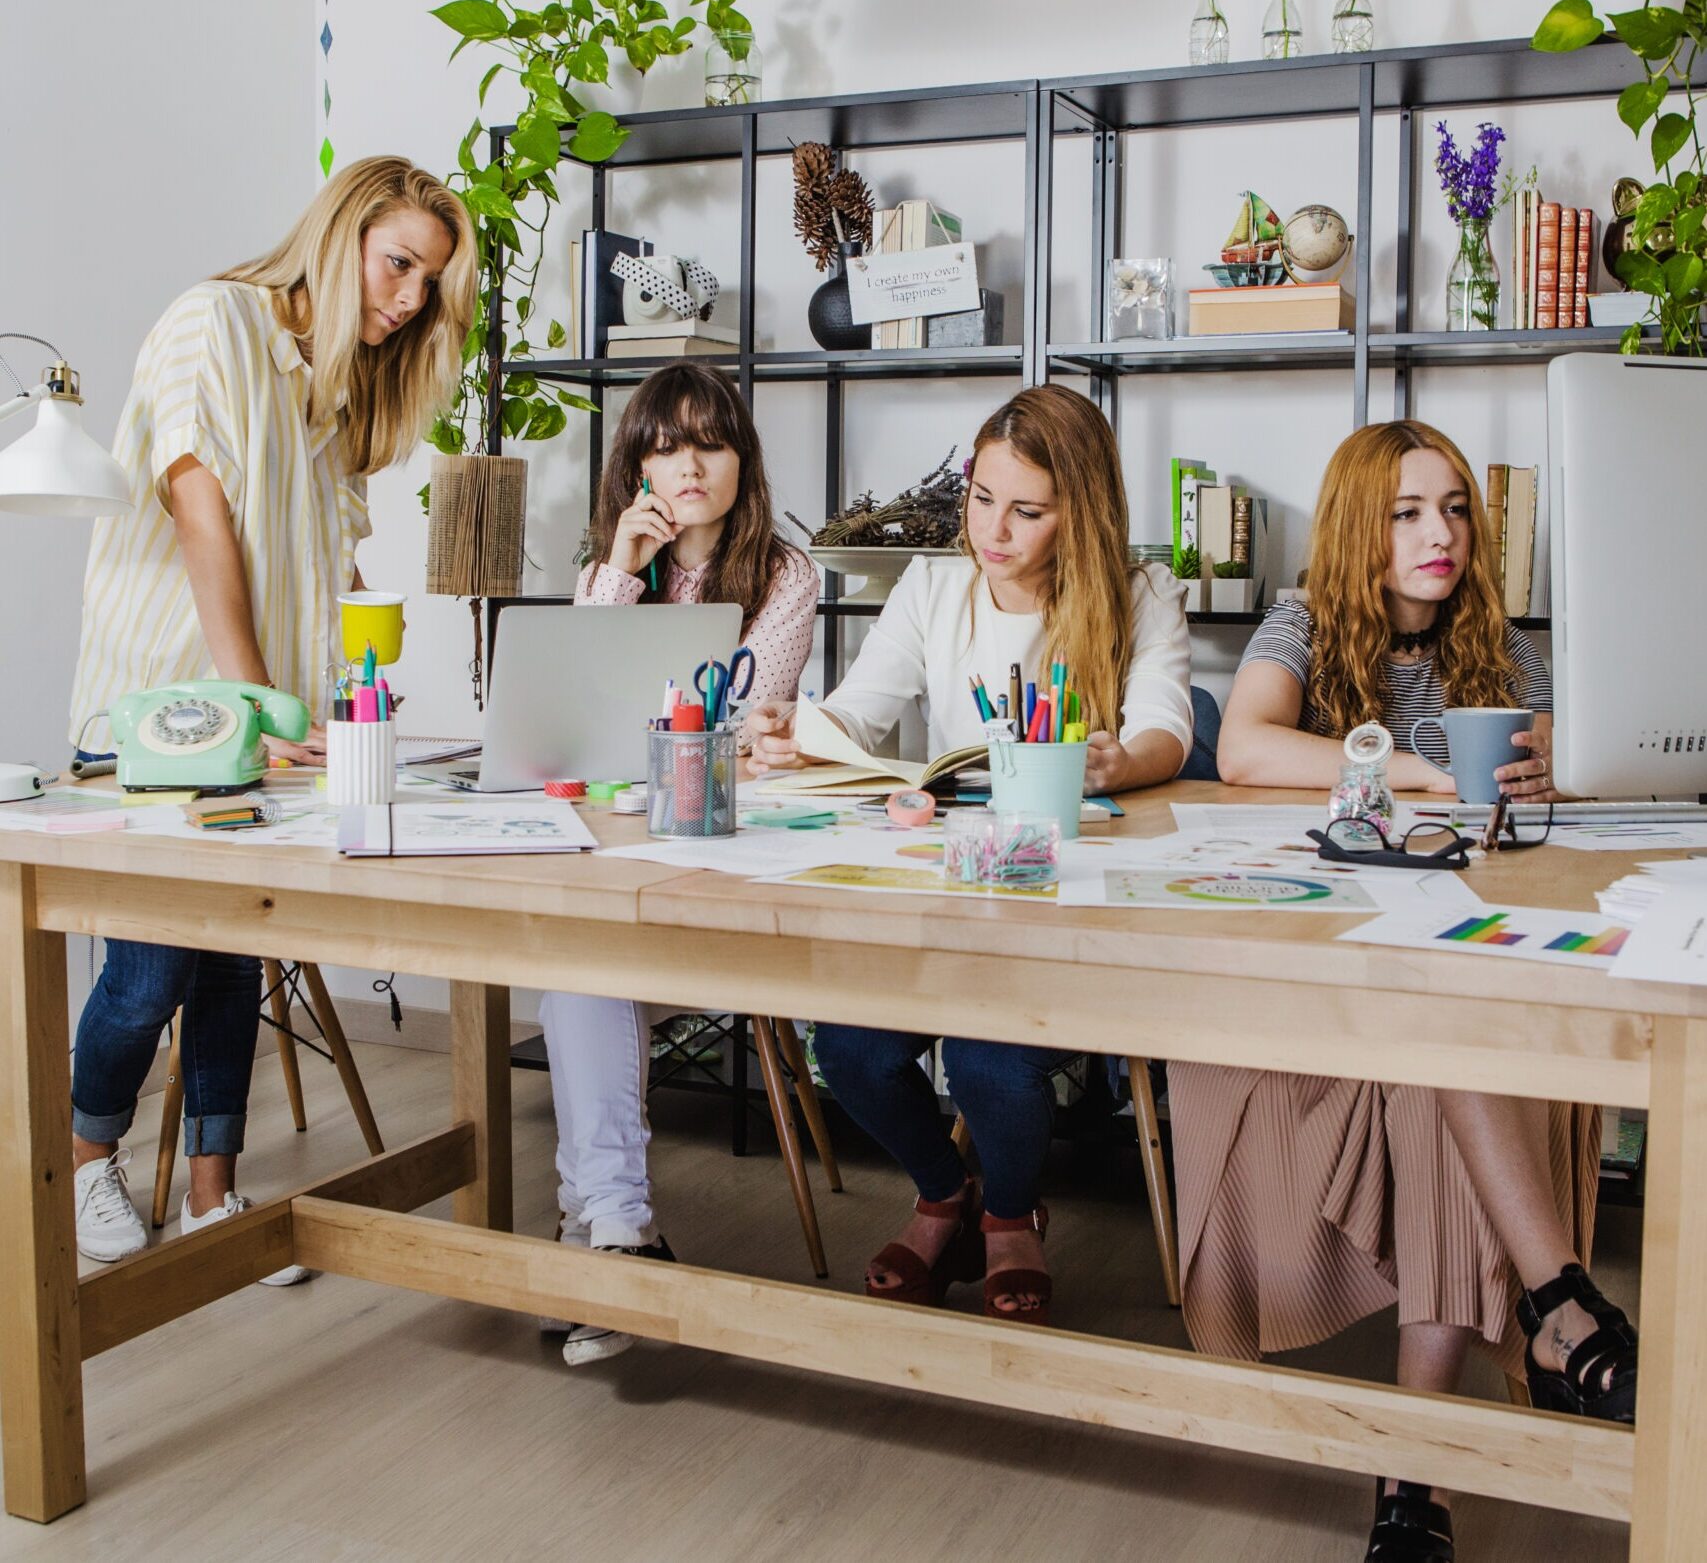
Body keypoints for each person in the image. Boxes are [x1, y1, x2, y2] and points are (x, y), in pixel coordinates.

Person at [1201, 419, 1635, 1563]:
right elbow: (1243, 748)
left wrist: (1551, 767)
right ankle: (1560, 1309)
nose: (1438, 534)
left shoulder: (1503, 643)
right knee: (1452, 1051)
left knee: (1451, 1055)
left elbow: (1561, 783)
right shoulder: (1299, 622)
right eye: (1407, 513)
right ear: (1360, 527)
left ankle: (1414, 1484)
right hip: (1323, 991)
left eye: (1453, 510)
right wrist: (1416, 766)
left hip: (1450, 980)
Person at [65, 157, 476, 1276]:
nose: (406, 299)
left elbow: (330, 568)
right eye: (398, 265)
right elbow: (204, 522)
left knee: (232, 962)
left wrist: (352, 706)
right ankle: (81, 1158)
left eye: (428, 286)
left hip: (266, 727)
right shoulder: (215, 324)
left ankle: (211, 1194)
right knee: (149, 974)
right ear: (341, 233)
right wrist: (253, 700)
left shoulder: (331, 388)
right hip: (163, 722)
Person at [747, 384, 1191, 1327]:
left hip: (1069, 895)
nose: (994, 529)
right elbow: (860, 709)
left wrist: (1116, 757)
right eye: (980, 498)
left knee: (993, 1061)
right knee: (851, 1049)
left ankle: (1006, 1217)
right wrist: (800, 727)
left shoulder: (1140, 593)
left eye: (1026, 511)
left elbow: (1168, 730)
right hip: (956, 887)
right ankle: (946, 1193)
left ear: (1083, 511)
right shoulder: (934, 584)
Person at [539, 362, 817, 1366]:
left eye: (710, 442)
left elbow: (740, 735)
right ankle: (618, 1231)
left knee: (582, 966)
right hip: (622, 851)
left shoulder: (785, 576)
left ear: (742, 459)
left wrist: (644, 736)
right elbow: (575, 720)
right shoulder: (610, 569)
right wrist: (617, 573)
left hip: (724, 855)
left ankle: (602, 1236)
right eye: (664, 445)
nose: (688, 465)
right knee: (580, 959)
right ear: (636, 465)